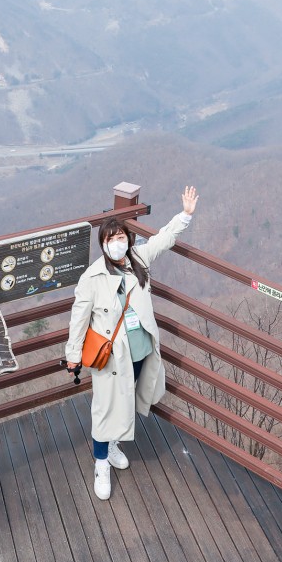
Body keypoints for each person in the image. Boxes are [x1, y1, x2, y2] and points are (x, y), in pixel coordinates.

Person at [65, 185, 199, 500]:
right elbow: (78, 320)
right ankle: (101, 464)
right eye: (111, 240)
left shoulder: (138, 258)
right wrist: (72, 355)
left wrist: (185, 215)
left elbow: (164, 239)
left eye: (121, 238)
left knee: (125, 400)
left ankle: (112, 447)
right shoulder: (92, 278)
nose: (117, 244)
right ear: (102, 244)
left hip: (139, 349)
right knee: (104, 409)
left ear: (128, 240)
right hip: (109, 357)